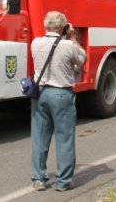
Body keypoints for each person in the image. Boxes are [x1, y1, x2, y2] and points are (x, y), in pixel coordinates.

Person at [30, 11, 86, 192]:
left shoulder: (35, 43)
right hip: (61, 94)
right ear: (62, 27)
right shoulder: (68, 45)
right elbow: (82, 58)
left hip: (40, 94)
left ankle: (39, 179)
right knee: (64, 138)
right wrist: (73, 37)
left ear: (46, 25)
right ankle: (63, 181)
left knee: (39, 138)